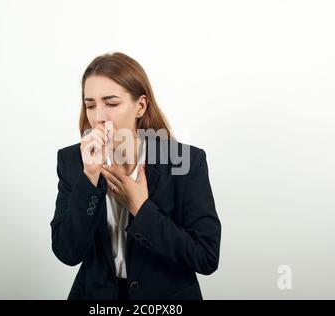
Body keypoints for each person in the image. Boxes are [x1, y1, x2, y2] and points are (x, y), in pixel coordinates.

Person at [50, 52, 221, 300]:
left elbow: (206, 257)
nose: (99, 117)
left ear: (140, 106)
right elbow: (67, 252)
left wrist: (141, 208)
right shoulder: (72, 161)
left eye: (111, 103)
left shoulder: (185, 162)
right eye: (90, 105)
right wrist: (89, 178)